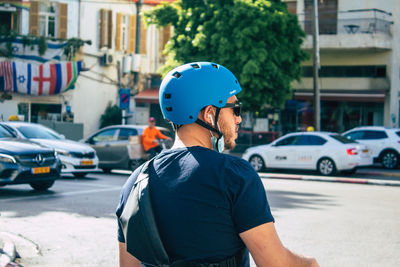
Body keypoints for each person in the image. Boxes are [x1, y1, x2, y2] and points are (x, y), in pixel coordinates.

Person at [116, 62, 319, 267]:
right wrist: (309, 264)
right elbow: (276, 264)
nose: (239, 119)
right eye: (235, 109)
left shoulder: (135, 182)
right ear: (209, 114)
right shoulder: (233, 175)